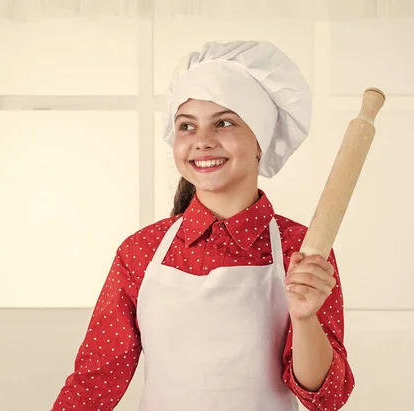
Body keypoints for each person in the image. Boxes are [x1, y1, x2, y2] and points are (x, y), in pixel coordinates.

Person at [51, 40, 354, 411]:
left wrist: (305, 318)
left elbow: (327, 398)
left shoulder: (303, 249)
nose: (203, 141)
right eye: (186, 126)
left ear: (260, 141)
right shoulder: (141, 251)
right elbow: (95, 381)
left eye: (224, 122)